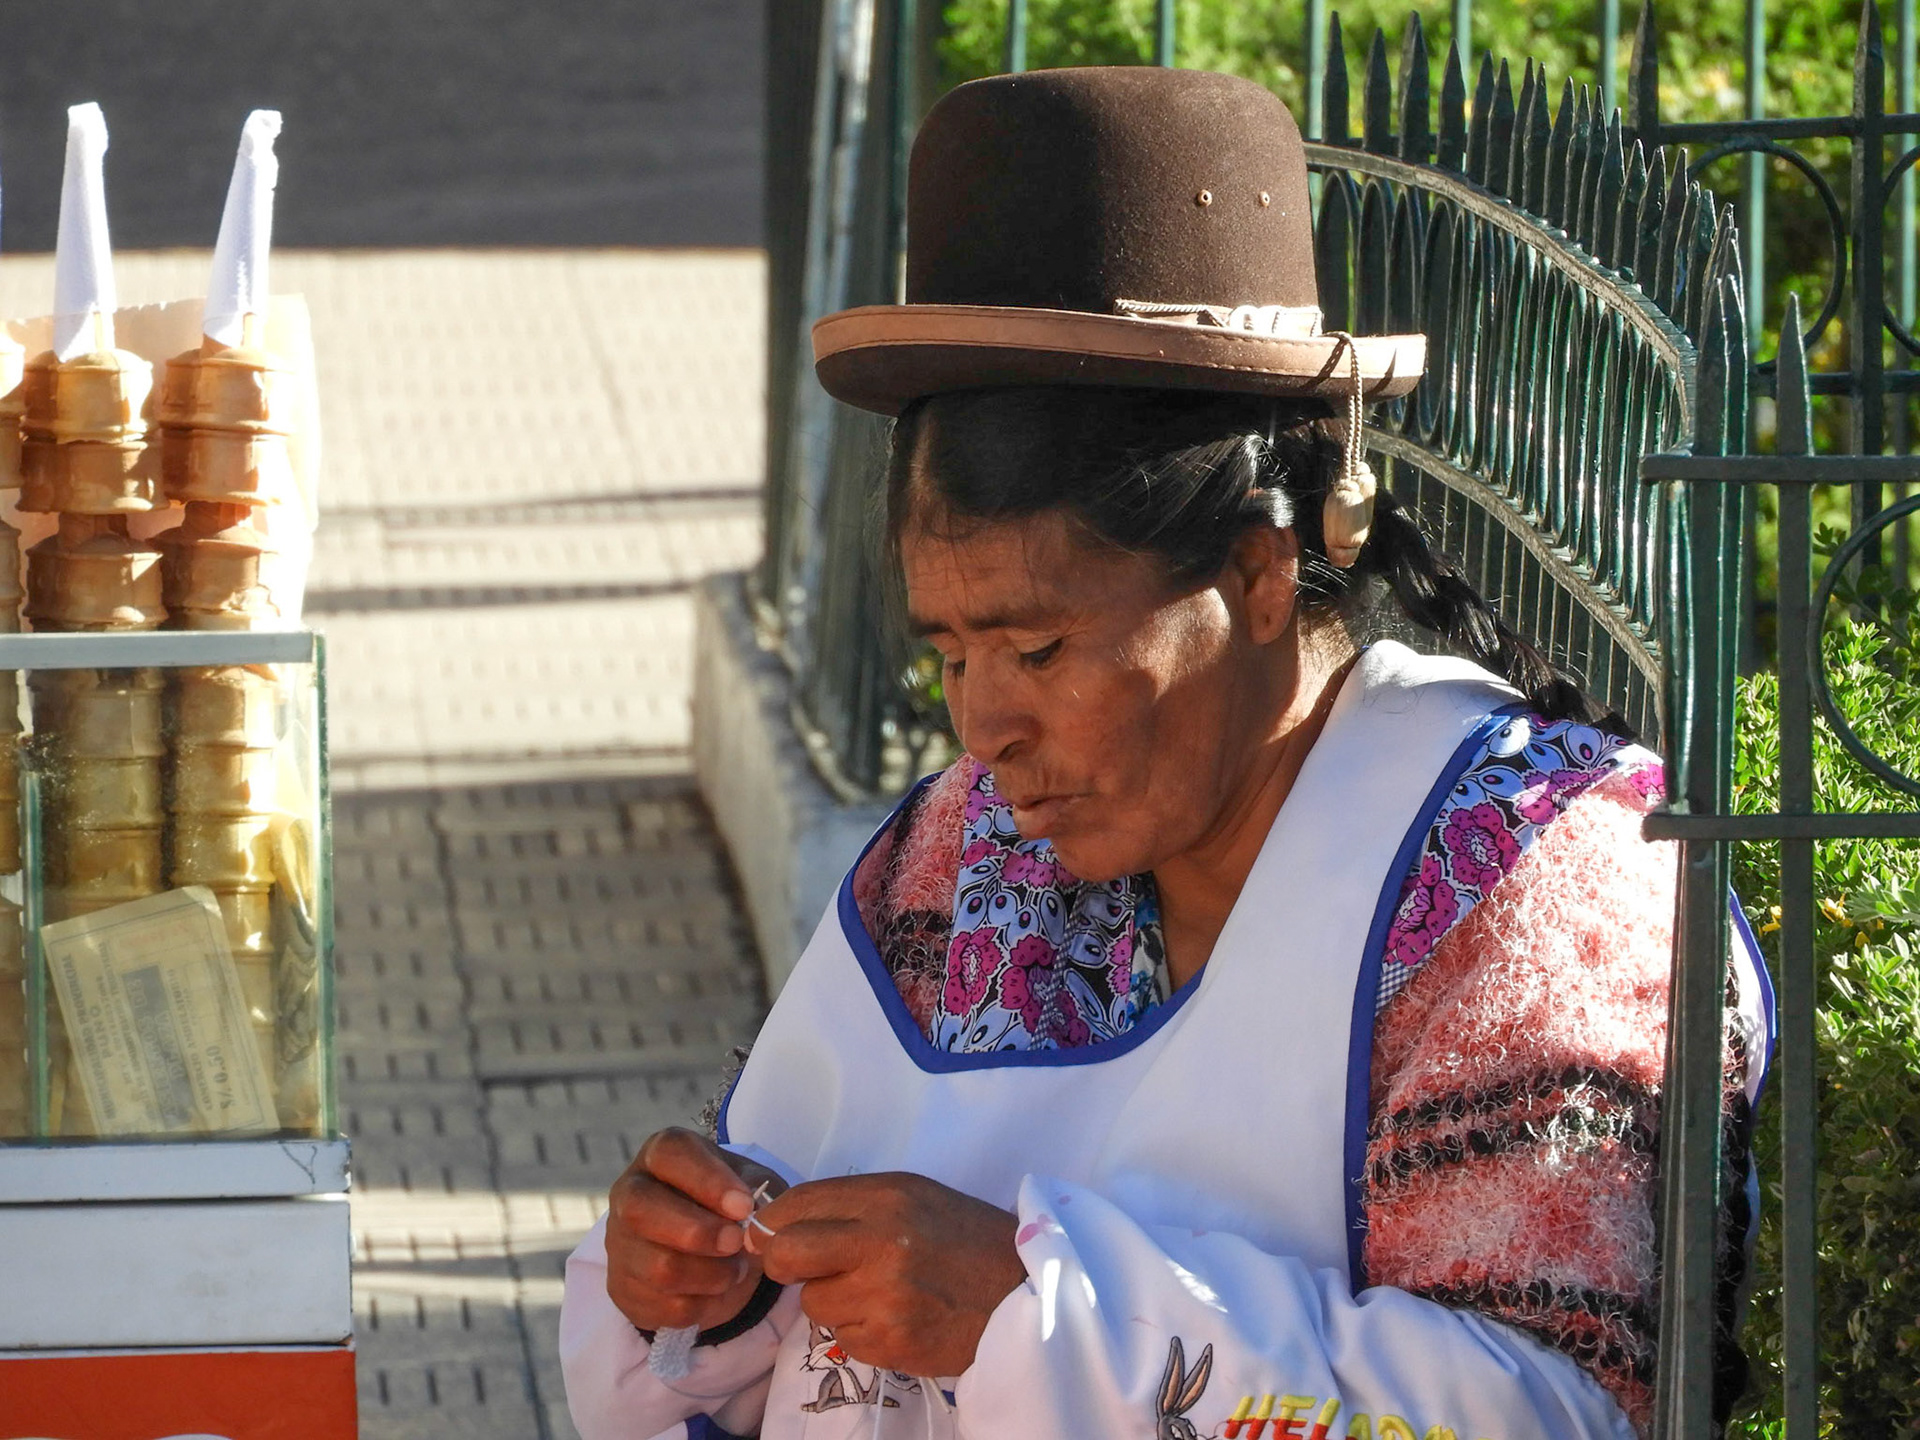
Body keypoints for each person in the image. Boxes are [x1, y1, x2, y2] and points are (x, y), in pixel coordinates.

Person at [560, 66, 1771, 1440]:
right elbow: (788, 1244)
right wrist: (708, 1285)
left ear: (1259, 573)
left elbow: (1556, 1413)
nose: (985, 730)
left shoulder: (1520, 888)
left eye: (1041, 651)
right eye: (949, 655)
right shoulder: (968, 854)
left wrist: (1040, 1316)